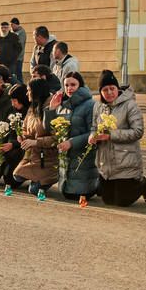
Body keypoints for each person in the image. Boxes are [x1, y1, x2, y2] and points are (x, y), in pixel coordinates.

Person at [91, 70, 146, 206]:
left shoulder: (130, 105)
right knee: (108, 200)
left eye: (112, 88)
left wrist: (111, 135)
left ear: (118, 89)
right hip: (107, 165)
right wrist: (92, 136)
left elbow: (138, 131)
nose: (109, 92)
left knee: (122, 201)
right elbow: (93, 127)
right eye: (105, 90)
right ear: (101, 92)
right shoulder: (98, 106)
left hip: (126, 161)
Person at [50, 71, 100, 202]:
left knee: (78, 195)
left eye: (73, 84)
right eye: (66, 85)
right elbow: (50, 129)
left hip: (82, 158)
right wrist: (51, 109)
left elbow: (93, 132)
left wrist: (72, 142)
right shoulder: (63, 105)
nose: (69, 88)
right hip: (66, 158)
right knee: (68, 194)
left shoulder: (90, 105)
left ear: (80, 85)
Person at [11, 78, 58, 194]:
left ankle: (51, 177)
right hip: (33, 154)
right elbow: (25, 127)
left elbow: (56, 138)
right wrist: (22, 136)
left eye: (29, 90)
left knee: (34, 190)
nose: (27, 94)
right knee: (16, 176)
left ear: (36, 91)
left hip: (47, 157)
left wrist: (36, 142)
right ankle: (37, 180)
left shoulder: (51, 108)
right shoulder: (32, 108)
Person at [9, 18, 27, 83]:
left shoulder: (21, 33)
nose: (11, 27)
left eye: (12, 25)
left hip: (18, 58)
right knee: (12, 75)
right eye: (10, 25)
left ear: (17, 24)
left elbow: (20, 46)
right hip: (11, 58)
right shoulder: (11, 32)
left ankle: (21, 88)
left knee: (18, 74)